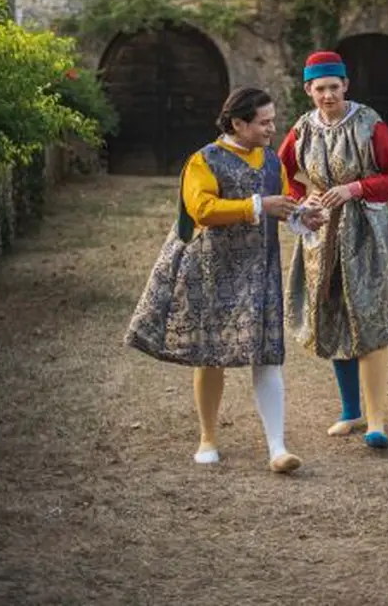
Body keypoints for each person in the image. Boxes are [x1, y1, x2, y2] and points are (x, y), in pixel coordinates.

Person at [126, 86, 315, 473]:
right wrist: (258, 205)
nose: (272, 129)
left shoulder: (270, 162)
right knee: (211, 355)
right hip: (212, 270)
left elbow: (280, 206)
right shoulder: (204, 160)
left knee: (267, 353)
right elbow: (202, 209)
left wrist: (302, 217)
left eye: (273, 121)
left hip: (260, 269)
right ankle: (208, 438)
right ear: (238, 124)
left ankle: (278, 449)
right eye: (264, 122)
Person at [278, 50, 388, 451]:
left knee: (368, 316)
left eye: (334, 87)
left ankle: (376, 420)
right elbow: (282, 171)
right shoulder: (303, 129)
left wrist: (355, 188)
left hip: (367, 229)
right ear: (308, 90)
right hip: (322, 232)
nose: (328, 95)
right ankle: (350, 410)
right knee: (333, 312)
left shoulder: (369, 124)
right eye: (320, 89)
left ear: (346, 85)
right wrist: (303, 198)